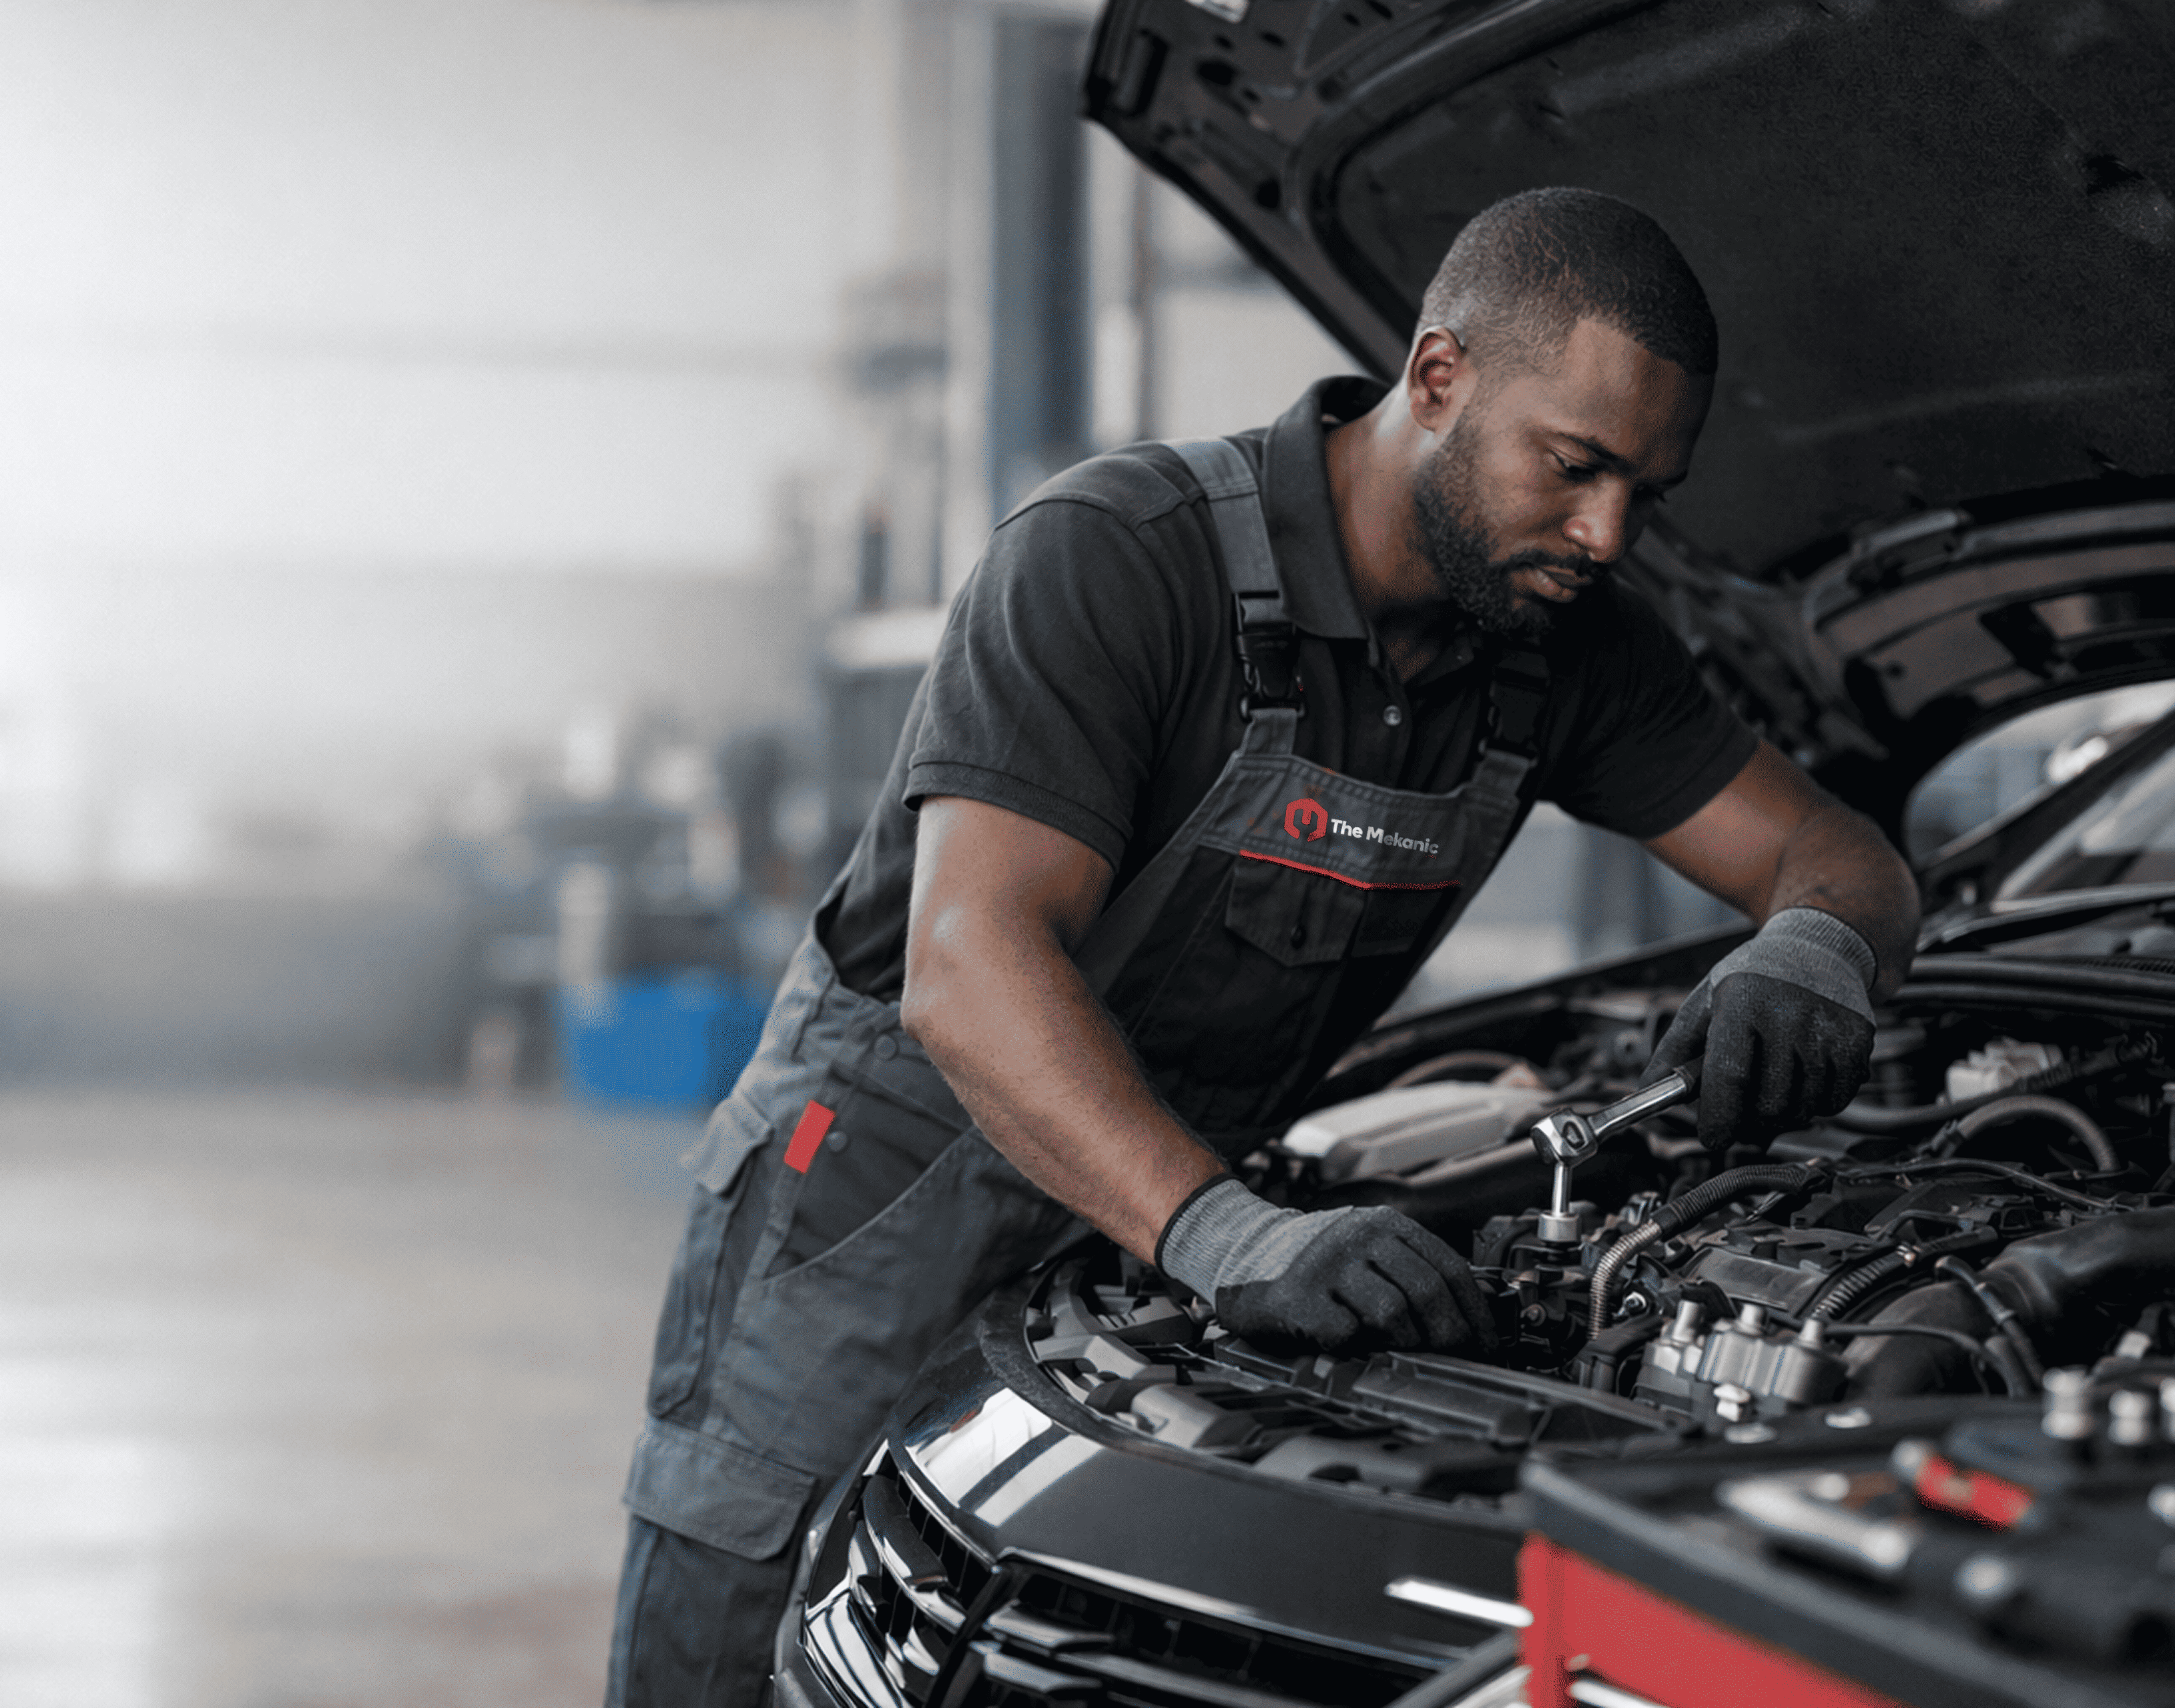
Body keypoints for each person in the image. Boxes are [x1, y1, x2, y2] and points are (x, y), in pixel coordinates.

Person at [605, 187, 1919, 1707]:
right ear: (1439, 378)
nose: (1608, 532)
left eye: (1649, 488)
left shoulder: (1563, 651)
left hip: (1155, 1228)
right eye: (1574, 465)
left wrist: (1811, 950)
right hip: (884, 1211)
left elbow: (1842, 854)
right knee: (752, 1644)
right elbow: (971, 962)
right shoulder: (1117, 556)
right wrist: (1229, 1236)